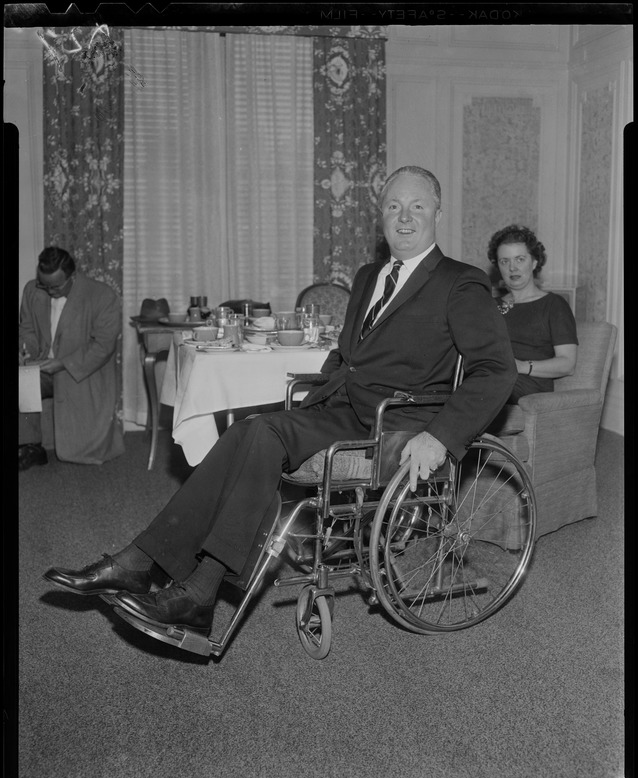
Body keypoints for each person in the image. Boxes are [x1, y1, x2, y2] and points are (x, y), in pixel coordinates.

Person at [43, 166, 517, 639]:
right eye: (394, 207)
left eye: (417, 206)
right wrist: (317, 394)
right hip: (341, 410)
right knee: (248, 429)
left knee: (263, 435)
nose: (405, 217)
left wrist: (440, 437)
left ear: (437, 211)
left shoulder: (460, 282)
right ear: (381, 217)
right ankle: (151, 567)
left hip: (397, 426)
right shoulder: (370, 274)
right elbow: (346, 354)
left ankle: (182, 581)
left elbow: (496, 369)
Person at [19, 246, 125, 470]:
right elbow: (26, 329)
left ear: (73, 277)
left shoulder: (102, 295)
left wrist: (61, 363)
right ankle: (30, 446)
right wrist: (27, 351)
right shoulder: (32, 290)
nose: (48, 291)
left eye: (55, 286)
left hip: (81, 371)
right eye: (43, 285)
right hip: (42, 367)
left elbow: (103, 345)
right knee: (21, 381)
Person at [487, 224, 578, 403]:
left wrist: (521, 366)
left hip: (527, 388)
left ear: (534, 262)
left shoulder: (553, 305)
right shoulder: (489, 305)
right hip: (489, 379)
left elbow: (568, 363)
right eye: (504, 261)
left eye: (520, 259)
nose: (512, 268)